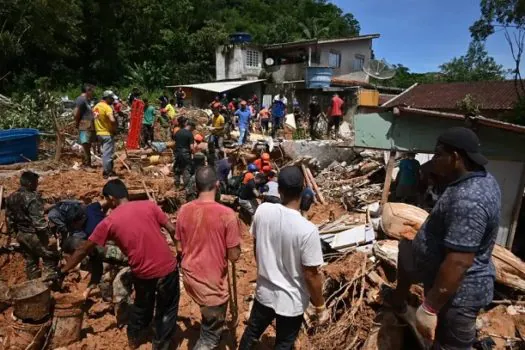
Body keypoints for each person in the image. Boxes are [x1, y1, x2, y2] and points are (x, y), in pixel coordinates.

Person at [384, 127, 501, 349]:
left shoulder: (469, 199)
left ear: (455, 157)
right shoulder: (478, 180)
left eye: (438, 154)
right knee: (405, 250)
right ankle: (400, 300)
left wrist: (429, 308)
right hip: (451, 292)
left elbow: (459, 262)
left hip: (457, 298)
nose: (434, 159)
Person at [59, 179, 180, 350]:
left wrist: (64, 269)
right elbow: (172, 229)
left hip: (142, 271)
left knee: (141, 305)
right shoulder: (150, 206)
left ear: (110, 198)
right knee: (167, 310)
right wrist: (180, 250)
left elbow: (82, 250)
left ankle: (134, 337)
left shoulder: (109, 222)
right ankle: (161, 345)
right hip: (167, 267)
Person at [239, 166, 328, 349]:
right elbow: (311, 274)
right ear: (303, 191)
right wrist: (320, 307)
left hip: (265, 292)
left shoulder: (262, 211)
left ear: (278, 189)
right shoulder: (308, 230)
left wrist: (267, 270)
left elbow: (257, 248)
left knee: (252, 333)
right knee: (284, 344)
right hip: (291, 301)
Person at [176, 167, 241, 349]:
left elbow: (179, 246)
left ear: (196, 186)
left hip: (190, 276)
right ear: (218, 185)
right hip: (212, 285)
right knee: (209, 338)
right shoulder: (227, 214)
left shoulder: (183, 210)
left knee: (208, 315)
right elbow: (234, 256)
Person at [5, 171, 59, 280]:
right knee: (51, 256)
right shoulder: (32, 197)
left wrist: (15, 234)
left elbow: (9, 219)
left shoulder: (11, 197)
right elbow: (39, 222)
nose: (37, 185)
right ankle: (49, 285)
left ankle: (33, 285)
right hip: (34, 235)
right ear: (30, 183)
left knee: (31, 260)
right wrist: (50, 236)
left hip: (21, 234)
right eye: (36, 182)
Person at [47, 200, 109, 292]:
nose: (74, 226)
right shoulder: (91, 207)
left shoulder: (92, 229)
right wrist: (103, 214)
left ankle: (103, 287)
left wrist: (62, 271)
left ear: (82, 218)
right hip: (103, 236)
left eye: (75, 223)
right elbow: (105, 202)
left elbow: (83, 251)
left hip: (112, 244)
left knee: (97, 255)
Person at [94, 90, 118, 178]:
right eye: (111, 99)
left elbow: (96, 119)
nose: (112, 101)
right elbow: (112, 120)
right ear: (107, 98)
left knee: (106, 152)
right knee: (107, 154)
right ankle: (107, 172)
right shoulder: (107, 107)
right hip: (107, 133)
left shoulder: (96, 107)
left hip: (99, 133)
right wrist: (115, 128)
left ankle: (109, 170)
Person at [75, 84, 96, 167]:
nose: (92, 93)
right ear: (87, 91)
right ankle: (86, 164)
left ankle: (87, 163)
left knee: (88, 144)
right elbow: (76, 113)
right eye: (91, 91)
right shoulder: (80, 99)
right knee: (85, 144)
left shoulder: (87, 100)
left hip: (88, 125)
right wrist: (77, 123)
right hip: (84, 125)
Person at [173, 120, 195, 188]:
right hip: (185, 153)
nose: (193, 130)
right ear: (191, 126)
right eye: (193, 128)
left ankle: (177, 184)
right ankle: (187, 186)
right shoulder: (189, 134)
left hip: (177, 153)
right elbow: (191, 147)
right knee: (186, 169)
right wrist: (193, 153)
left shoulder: (178, 132)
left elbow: (175, 142)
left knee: (177, 168)